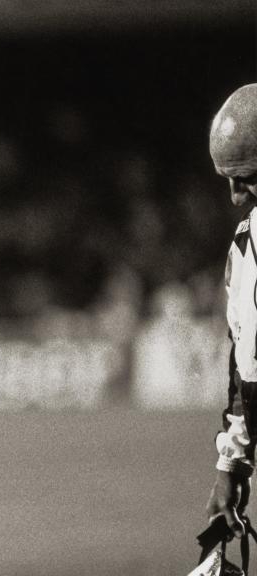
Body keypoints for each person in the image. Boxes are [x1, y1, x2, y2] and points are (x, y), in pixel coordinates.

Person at [205, 83, 257, 541]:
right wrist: (232, 462)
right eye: (228, 179)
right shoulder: (243, 247)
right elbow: (246, 364)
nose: (236, 195)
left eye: (247, 177)